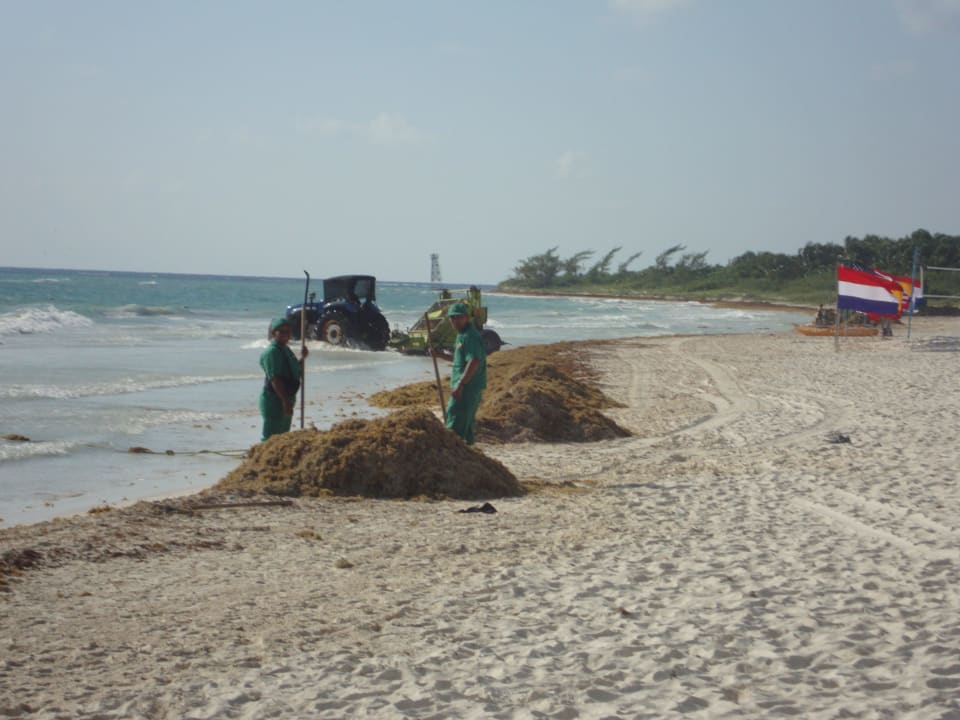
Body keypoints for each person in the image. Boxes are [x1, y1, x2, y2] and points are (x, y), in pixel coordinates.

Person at [438, 302, 487, 444]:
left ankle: (453, 451)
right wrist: (440, 355)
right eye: (453, 318)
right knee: (466, 423)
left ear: (466, 317)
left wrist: (460, 384)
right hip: (465, 386)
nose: (456, 321)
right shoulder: (462, 335)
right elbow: (460, 360)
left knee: (455, 419)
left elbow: (474, 361)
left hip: (467, 388)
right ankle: (469, 450)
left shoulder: (469, 336)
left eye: (459, 317)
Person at [259, 317, 308, 441]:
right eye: (281, 331)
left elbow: (294, 371)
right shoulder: (272, 352)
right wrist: (285, 402)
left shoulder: (285, 349)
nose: (285, 335)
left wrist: (303, 358)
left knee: (283, 436)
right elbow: (275, 379)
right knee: (270, 438)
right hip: (275, 400)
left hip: (287, 398)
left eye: (288, 331)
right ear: (273, 333)